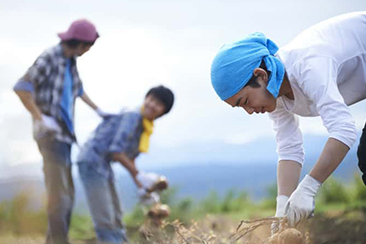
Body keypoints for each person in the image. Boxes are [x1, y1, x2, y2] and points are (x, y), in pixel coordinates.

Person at [210, 11, 366, 231]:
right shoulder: (274, 92)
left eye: (244, 101)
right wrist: (282, 205)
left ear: (260, 75)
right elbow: (289, 148)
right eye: (240, 107)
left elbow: (343, 130)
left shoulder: (309, 65)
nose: (248, 111)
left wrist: (309, 187)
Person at [13, 19, 109, 244]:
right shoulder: (50, 57)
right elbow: (22, 87)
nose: (86, 51)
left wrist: (99, 110)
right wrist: (41, 118)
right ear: (78, 43)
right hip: (50, 135)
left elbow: (79, 89)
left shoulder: (70, 62)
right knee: (59, 195)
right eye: (87, 47)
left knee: (67, 195)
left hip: (65, 136)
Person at [77, 85, 174, 244]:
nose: (152, 105)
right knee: (105, 218)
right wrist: (140, 176)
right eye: (151, 99)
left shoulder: (144, 127)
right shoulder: (133, 116)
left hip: (104, 165)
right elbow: (116, 151)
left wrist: (142, 188)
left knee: (117, 216)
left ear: (163, 111)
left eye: (158, 103)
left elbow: (130, 159)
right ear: (146, 98)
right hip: (92, 161)